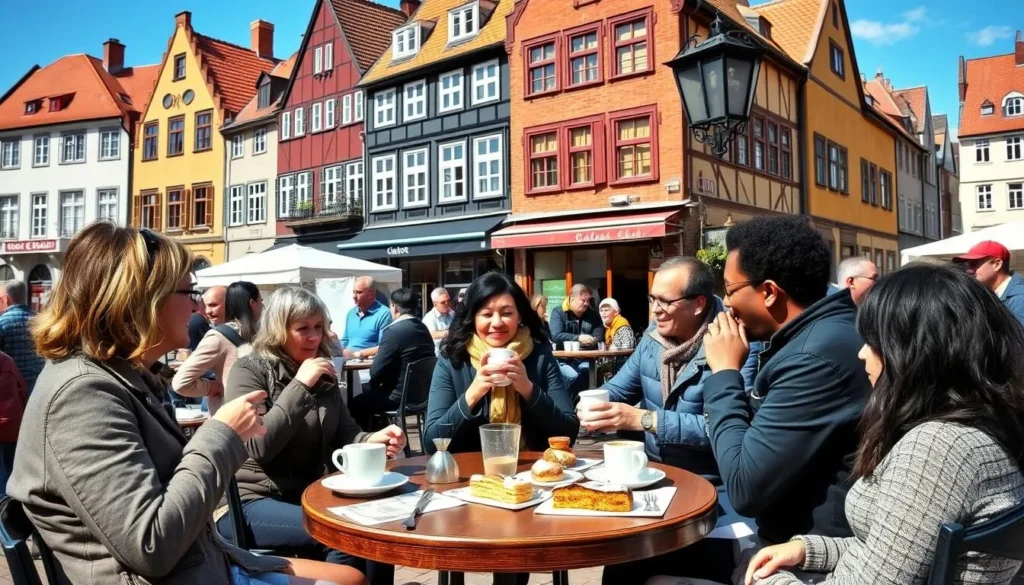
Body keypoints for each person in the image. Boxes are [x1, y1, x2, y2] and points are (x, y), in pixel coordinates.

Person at [9, 223, 357, 585]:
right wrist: (222, 433)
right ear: (143, 299)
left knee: (350, 576)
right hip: (178, 573)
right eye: (189, 291)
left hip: (202, 561)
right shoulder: (82, 395)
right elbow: (152, 546)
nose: (196, 305)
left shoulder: (123, 378)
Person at [744, 264, 1024, 585]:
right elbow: (900, 551)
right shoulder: (979, 425)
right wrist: (809, 549)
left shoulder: (938, 448)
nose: (863, 353)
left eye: (874, 341)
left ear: (916, 352)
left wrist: (766, 581)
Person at [702, 216, 871, 555]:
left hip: (813, 558)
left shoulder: (813, 359)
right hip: (798, 540)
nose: (727, 304)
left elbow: (745, 488)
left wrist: (723, 375)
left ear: (768, 292)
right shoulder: (825, 334)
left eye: (730, 290)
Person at [222, 285, 404, 585]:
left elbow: (347, 435)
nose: (314, 337)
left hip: (307, 496)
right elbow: (259, 445)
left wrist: (375, 440)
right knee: (341, 534)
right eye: (302, 328)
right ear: (279, 330)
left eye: (318, 327)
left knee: (377, 531)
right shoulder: (250, 370)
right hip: (250, 501)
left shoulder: (321, 371)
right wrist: (300, 386)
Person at [583, 258, 744, 584]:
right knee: (617, 572)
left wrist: (644, 419)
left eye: (665, 302)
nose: (656, 310)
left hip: (714, 496)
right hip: (652, 486)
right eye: (652, 299)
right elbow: (619, 387)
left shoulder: (734, 344)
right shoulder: (652, 339)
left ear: (699, 304)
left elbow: (727, 429)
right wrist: (593, 402)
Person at [424, 272, 579, 455]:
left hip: (533, 473)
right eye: (486, 314)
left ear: (519, 316)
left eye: (506, 313)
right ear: (472, 318)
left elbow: (568, 433)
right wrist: (474, 393)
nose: (497, 323)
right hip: (470, 476)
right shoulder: (453, 360)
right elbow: (431, 442)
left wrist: (528, 389)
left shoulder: (540, 356)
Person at [349, 288, 436, 430]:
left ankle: (367, 443)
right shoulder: (424, 329)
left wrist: (375, 384)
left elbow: (375, 372)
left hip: (397, 397)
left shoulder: (394, 331)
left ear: (395, 308)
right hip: (422, 396)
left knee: (354, 404)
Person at [173, 281, 263, 414]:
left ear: (228, 303)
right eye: (206, 306)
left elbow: (181, 382)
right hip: (253, 415)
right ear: (252, 303)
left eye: (214, 305)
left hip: (235, 419)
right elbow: (181, 382)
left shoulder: (218, 337)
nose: (208, 311)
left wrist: (215, 387)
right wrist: (212, 387)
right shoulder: (264, 333)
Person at [953, 240, 1024, 325]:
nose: (969, 270)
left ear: (997, 264)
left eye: (974, 263)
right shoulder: (985, 294)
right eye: (968, 264)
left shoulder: (1020, 297)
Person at [0, 280, 44, 393]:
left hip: (11, 385)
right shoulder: (40, 321)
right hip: (38, 384)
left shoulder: (2, 321)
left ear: (6, 298)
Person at [339, 276, 393, 360]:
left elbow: (384, 346)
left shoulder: (384, 314)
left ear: (371, 293)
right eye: (353, 292)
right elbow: (345, 340)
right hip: (347, 363)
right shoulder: (351, 313)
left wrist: (358, 354)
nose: (354, 296)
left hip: (367, 365)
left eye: (359, 292)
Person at [0, 350, 27, 497]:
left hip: (6, 426)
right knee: (10, 475)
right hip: (11, 426)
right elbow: (22, 389)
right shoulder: (7, 360)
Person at [549, 284, 604, 349]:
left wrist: (590, 341)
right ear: (572, 299)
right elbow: (556, 336)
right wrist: (578, 338)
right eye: (583, 300)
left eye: (588, 300)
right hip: (564, 357)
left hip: (588, 356)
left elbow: (599, 337)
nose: (586, 303)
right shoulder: (559, 312)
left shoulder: (593, 315)